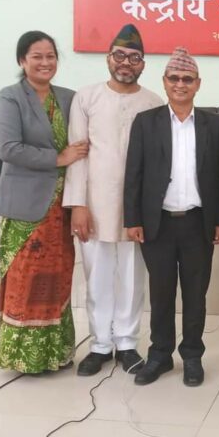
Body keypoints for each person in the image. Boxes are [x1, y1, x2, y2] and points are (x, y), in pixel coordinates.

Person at [63, 24, 163, 376]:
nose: (126, 63)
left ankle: (127, 343)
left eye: (134, 58)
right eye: (120, 55)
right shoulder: (86, 98)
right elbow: (77, 154)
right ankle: (100, 345)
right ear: (108, 58)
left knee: (132, 278)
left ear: (143, 64)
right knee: (98, 276)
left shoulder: (153, 102)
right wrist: (78, 204)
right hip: (95, 203)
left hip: (138, 208)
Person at [124, 47, 219, 387]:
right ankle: (160, 355)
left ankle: (192, 356)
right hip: (158, 223)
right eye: (174, 78)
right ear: (164, 82)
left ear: (198, 84)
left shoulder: (215, 125)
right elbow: (134, 173)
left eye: (187, 79)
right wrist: (132, 219)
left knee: (196, 294)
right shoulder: (146, 122)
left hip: (198, 223)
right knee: (161, 293)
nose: (180, 84)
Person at [0, 31, 89, 373]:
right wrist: (58, 158)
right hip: (26, 208)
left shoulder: (69, 98)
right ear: (23, 61)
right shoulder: (11, 97)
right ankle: (22, 356)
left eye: (51, 56)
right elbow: (7, 148)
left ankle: (54, 353)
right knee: (25, 279)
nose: (45, 62)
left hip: (62, 207)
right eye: (37, 56)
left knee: (57, 277)